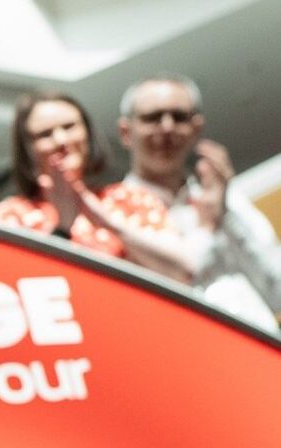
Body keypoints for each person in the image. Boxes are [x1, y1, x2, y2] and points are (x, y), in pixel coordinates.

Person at [100, 75, 281, 333]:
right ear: (126, 132)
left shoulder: (225, 198)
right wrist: (208, 227)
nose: (167, 128)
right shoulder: (112, 212)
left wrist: (225, 216)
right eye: (152, 117)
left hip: (262, 345)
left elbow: (277, 291)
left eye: (179, 117)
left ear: (196, 128)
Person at [0, 91, 189, 272]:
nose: (61, 140)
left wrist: (104, 219)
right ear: (27, 149)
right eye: (45, 134)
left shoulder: (131, 198)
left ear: (87, 134)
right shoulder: (10, 215)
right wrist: (62, 228)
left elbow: (183, 271)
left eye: (69, 127)